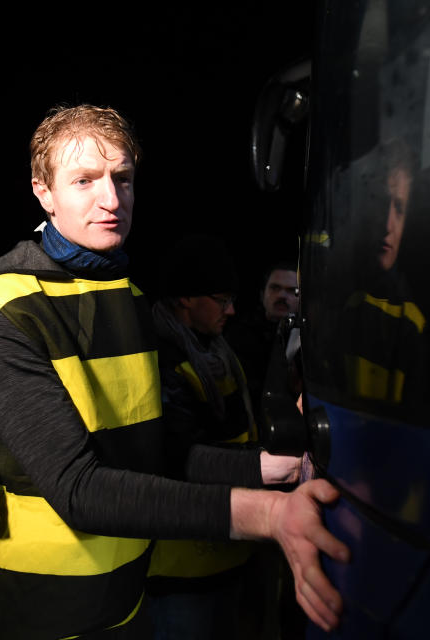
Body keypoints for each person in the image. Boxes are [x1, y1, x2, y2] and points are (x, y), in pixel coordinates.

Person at [0, 104, 349, 640]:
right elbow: (78, 489)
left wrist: (271, 469)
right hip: (24, 609)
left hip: (121, 604)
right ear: (43, 192)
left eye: (123, 178)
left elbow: (155, 453)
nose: (111, 199)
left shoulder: (130, 298)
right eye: (84, 180)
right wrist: (269, 516)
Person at [147, 234, 301, 639]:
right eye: (220, 298)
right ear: (184, 298)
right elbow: (177, 457)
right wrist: (268, 467)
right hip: (185, 570)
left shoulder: (216, 350)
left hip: (233, 549)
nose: (232, 310)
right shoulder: (160, 360)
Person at [338, 137, 426, 406]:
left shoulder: (412, 323)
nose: (388, 223)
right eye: (380, 203)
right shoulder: (330, 295)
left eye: (399, 208)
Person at [226, 261, 301, 421]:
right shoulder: (236, 336)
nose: (282, 295)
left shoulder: (310, 341)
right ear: (262, 294)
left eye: (291, 291)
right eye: (275, 288)